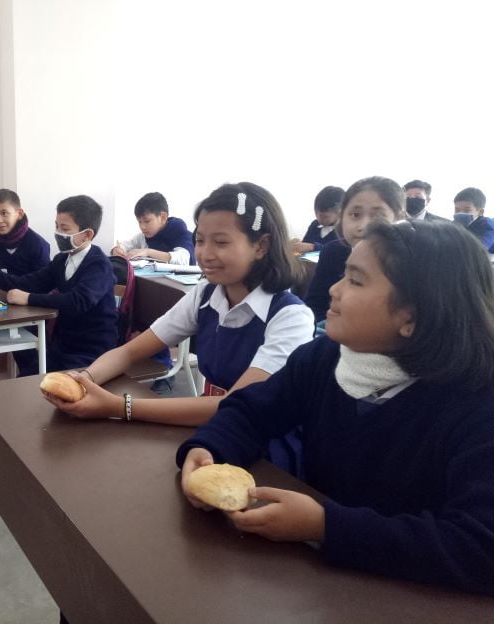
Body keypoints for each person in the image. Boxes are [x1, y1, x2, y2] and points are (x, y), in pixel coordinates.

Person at [178, 219, 494, 596]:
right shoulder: (326, 357)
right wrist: (208, 448)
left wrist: (327, 526)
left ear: (411, 315)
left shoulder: (476, 401)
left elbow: (479, 546)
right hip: (319, 584)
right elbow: (250, 412)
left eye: (355, 281)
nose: (333, 288)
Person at [45, 183, 314, 443]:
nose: (204, 254)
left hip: (261, 445)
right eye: (200, 240)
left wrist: (118, 406)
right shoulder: (206, 294)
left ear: (261, 246)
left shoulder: (291, 318)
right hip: (212, 432)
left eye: (221, 242)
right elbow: (129, 352)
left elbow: (235, 406)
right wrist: (84, 380)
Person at [0, 195, 117, 371]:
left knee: (40, 379)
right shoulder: (62, 260)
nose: (58, 233)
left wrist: (29, 298)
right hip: (62, 346)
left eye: (64, 228)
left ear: (87, 234)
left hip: (93, 351)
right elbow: (28, 283)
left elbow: (77, 301)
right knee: (29, 372)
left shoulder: (99, 265)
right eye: (56, 226)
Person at [0, 188, 50, 385]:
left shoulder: (38, 245)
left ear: (19, 213)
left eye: (4, 213)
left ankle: (26, 387)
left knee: (27, 358)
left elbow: (35, 286)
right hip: (6, 302)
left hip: (33, 308)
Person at [304, 176, 406, 322]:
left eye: (378, 216)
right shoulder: (333, 251)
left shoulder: (406, 259)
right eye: (355, 215)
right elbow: (314, 304)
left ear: (399, 218)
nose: (363, 226)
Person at [111, 192, 195, 265]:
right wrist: (117, 250)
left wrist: (148, 252)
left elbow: (184, 259)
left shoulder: (180, 231)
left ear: (163, 217)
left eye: (147, 221)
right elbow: (124, 245)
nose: (142, 227)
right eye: (139, 222)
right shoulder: (143, 236)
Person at [291, 186, 345, 254]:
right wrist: (298, 245)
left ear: (340, 212)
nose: (319, 219)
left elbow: (339, 252)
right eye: (316, 213)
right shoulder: (315, 225)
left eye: (325, 217)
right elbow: (305, 244)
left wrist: (313, 247)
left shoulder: (344, 230)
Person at [453, 187, 494, 252]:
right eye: (457, 210)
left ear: (480, 212)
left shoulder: (487, 226)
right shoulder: (455, 224)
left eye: (467, 210)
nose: (460, 213)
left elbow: (480, 248)